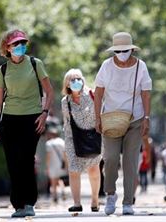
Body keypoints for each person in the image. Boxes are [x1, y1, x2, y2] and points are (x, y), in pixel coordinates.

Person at [0, 30, 54, 218]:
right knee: (13, 162)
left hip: (32, 118)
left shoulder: (35, 64)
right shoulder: (3, 70)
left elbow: (49, 92)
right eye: (15, 44)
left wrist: (44, 114)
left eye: (22, 43)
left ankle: (29, 203)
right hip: (9, 119)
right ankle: (17, 204)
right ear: (7, 48)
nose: (20, 47)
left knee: (26, 160)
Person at [94, 32, 152, 216]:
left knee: (130, 162)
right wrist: (97, 118)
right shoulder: (106, 66)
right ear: (114, 51)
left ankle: (128, 202)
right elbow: (99, 92)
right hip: (111, 119)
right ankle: (110, 194)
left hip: (134, 119)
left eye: (125, 50)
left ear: (132, 49)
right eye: (118, 50)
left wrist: (147, 118)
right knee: (110, 158)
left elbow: (146, 93)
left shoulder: (140, 66)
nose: (122, 53)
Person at [60, 68, 102, 212]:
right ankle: (77, 203)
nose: (77, 82)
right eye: (73, 80)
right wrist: (67, 144)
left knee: (93, 169)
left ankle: (95, 200)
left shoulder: (91, 94)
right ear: (67, 84)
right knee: (73, 170)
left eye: (79, 78)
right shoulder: (65, 102)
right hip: (73, 138)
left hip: (93, 137)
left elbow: (101, 112)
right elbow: (66, 122)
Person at [45, 127, 67, 204]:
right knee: (60, 179)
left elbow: (48, 156)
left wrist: (47, 166)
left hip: (52, 164)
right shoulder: (62, 142)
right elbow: (65, 154)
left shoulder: (49, 143)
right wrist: (66, 164)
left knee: (53, 181)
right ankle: (63, 191)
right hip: (61, 164)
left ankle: (55, 196)